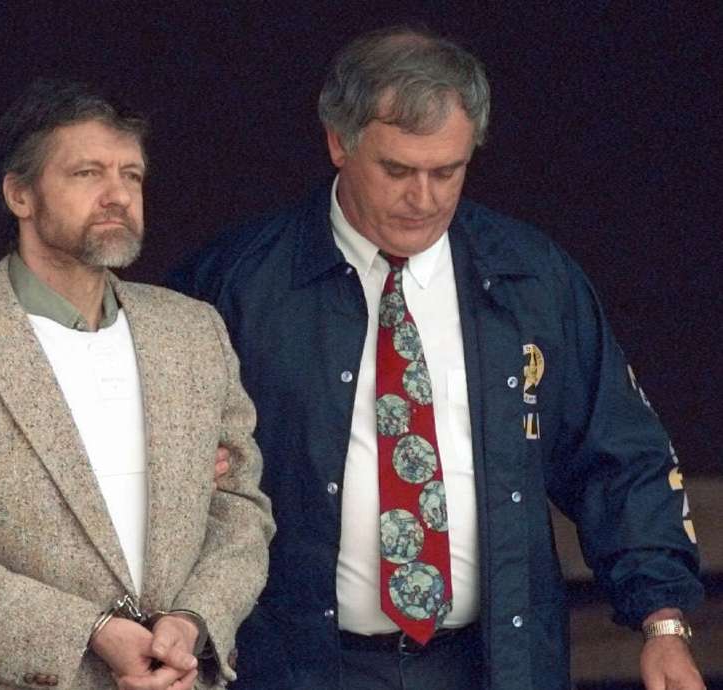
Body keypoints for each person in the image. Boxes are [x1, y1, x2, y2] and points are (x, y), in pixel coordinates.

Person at [169, 25, 704, 690]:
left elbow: (618, 456)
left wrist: (662, 620)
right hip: (299, 666)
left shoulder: (533, 279)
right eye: (397, 170)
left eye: (447, 172)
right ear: (338, 142)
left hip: (495, 664)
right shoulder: (235, 285)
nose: (423, 199)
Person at [0, 78, 275, 690]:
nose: (117, 195)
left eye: (131, 175)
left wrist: (193, 622)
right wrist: (86, 631)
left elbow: (240, 508)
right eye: (87, 173)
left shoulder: (194, 333)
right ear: (19, 194)